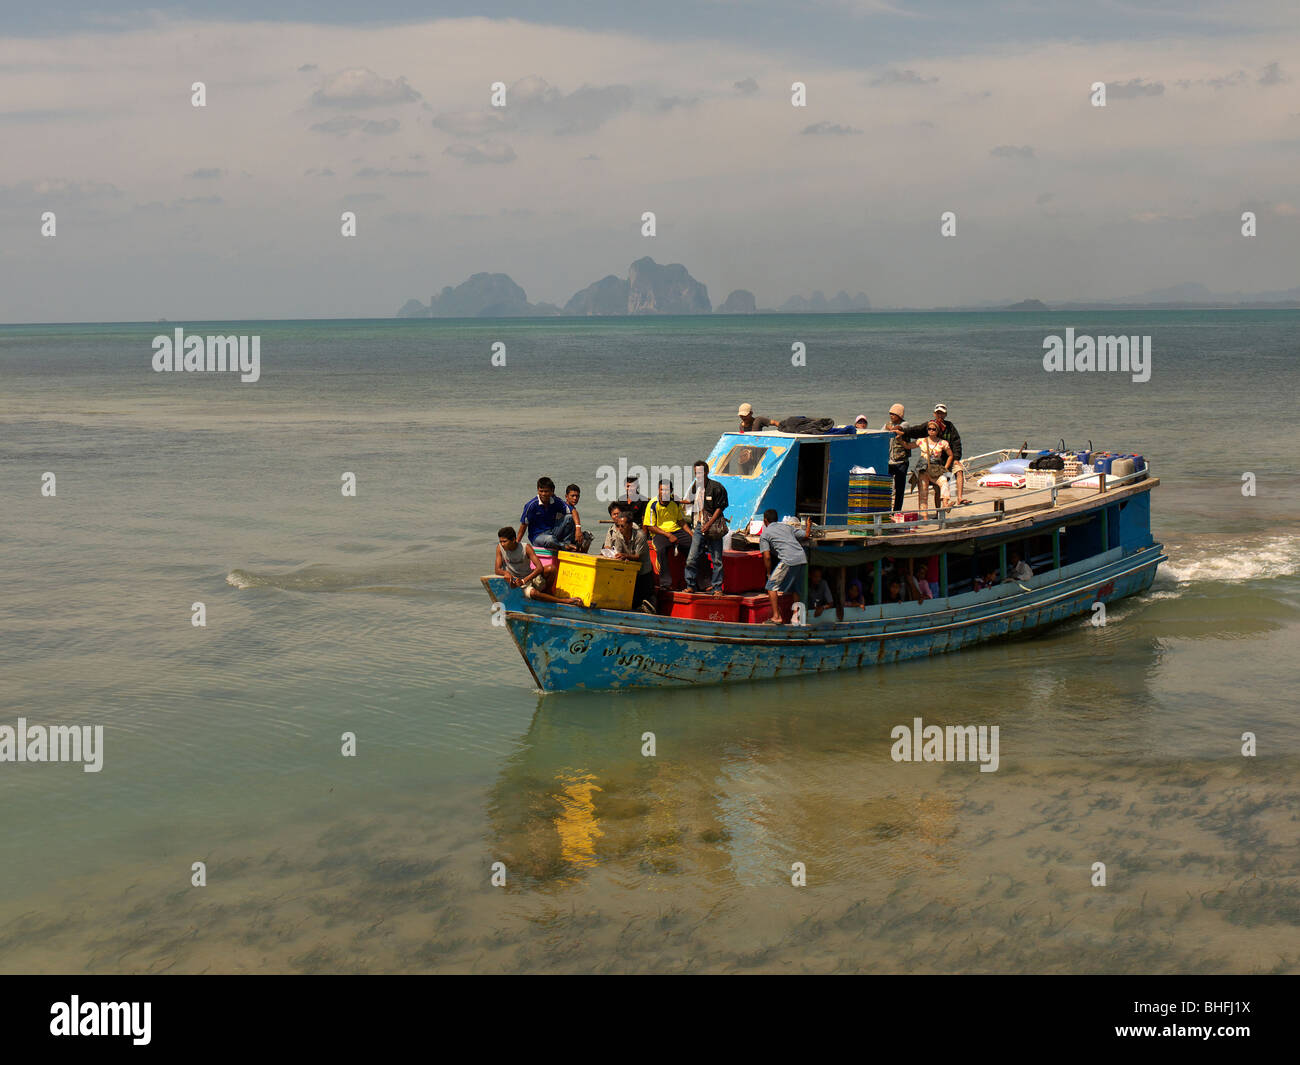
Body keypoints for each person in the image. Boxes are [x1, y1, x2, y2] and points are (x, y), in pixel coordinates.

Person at [899, 404, 967, 504]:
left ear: (946, 414)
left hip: (949, 459)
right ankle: (938, 512)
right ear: (934, 414)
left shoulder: (950, 427)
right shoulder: (930, 425)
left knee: (959, 471)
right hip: (934, 463)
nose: (940, 415)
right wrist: (902, 431)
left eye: (942, 413)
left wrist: (956, 459)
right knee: (937, 488)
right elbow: (915, 431)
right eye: (938, 413)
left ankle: (960, 498)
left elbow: (956, 443)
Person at [495, 527, 582, 605]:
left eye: (504, 541)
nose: (502, 544)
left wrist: (524, 580)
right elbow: (497, 569)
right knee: (533, 593)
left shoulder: (526, 547)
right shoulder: (500, 548)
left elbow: (539, 567)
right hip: (515, 583)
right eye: (501, 541)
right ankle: (563, 601)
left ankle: (547, 594)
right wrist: (505, 573)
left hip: (527, 578)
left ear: (513, 540)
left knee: (551, 569)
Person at [684, 460, 730, 596]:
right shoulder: (695, 487)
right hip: (699, 526)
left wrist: (708, 524)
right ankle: (691, 585)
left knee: (717, 559)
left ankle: (717, 588)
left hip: (714, 526)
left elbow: (720, 507)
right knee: (691, 557)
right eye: (696, 473)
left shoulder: (716, 487)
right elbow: (691, 501)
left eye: (700, 472)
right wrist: (677, 500)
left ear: (706, 472)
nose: (698, 475)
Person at [604, 503, 657, 612]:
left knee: (647, 596)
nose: (619, 529)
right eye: (618, 526)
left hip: (643, 570)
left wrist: (624, 555)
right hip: (630, 570)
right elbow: (618, 552)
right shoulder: (618, 535)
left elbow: (637, 556)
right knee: (633, 598)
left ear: (630, 525)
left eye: (622, 526)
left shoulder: (640, 535)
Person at [758, 509, 807, 625]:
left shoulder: (765, 534)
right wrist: (808, 526)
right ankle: (796, 617)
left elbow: (767, 557)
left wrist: (769, 573)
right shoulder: (787, 527)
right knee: (795, 588)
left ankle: (776, 617)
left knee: (770, 586)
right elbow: (806, 535)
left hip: (788, 559)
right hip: (802, 558)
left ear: (765, 521)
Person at [642, 479, 691, 590]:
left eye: (667, 490)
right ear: (658, 490)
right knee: (662, 549)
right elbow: (650, 526)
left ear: (671, 491)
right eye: (661, 490)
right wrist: (668, 535)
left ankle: (696, 583)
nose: (664, 492)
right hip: (659, 532)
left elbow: (681, 521)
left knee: (694, 546)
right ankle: (665, 583)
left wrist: (691, 533)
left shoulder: (675, 502)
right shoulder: (653, 504)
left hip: (676, 530)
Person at [518, 476, 579, 550]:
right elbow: (523, 525)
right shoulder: (531, 505)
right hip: (537, 537)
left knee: (569, 517)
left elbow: (573, 511)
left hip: (552, 532)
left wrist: (578, 529)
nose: (543, 494)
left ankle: (567, 544)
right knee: (550, 539)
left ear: (552, 491)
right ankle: (564, 546)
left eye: (546, 491)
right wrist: (517, 544)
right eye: (541, 491)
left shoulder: (555, 501)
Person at [912, 422, 954, 517]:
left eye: (933, 429)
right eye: (929, 429)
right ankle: (924, 517)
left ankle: (945, 504)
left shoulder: (943, 443)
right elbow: (909, 446)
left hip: (936, 470)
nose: (931, 431)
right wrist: (900, 439)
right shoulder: (921, 441)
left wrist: (945, 468)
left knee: (944, 483)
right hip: (923, 470)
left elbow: (950, 455)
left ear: (937, 431)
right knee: (923, 494)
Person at [880, 403, 910, 512]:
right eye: (890, 414)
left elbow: (897, 428)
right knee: (885, 487)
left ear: (900, 415)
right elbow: (880, 433)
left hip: (901, 462)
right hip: (889, 462)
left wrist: (890, 428)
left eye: (894, 414)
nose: (891, 416)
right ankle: (885, 510)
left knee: (899, 489)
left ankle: (896, 511)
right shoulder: (887, 424)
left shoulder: (905, 424)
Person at [562, 483, 595, 553]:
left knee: (588, 536)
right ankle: (570, 548)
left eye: (577, 496)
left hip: (572, 535)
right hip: (563, 536)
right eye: (572, 496)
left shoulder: (573, 508)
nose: (575, 498)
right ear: (566, 496)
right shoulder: (563, 506)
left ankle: (581, 553)